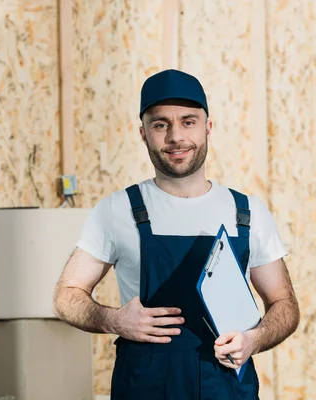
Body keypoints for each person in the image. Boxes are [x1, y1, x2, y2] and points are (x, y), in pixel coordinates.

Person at [52, 69, 300, 399]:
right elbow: (66, 296)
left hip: (225, 388)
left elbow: (285, 304)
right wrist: (114, 320)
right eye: (160, 124)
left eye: (188, 121)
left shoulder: (246, 212)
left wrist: (253, 339)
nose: (175, 137)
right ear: (143, 133)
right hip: (145, 386)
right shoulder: (117, 210)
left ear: (208, 127)